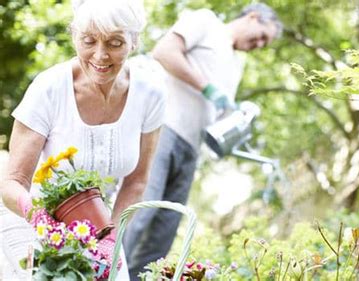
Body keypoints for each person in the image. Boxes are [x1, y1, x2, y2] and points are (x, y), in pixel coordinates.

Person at [0, 0, 166, 279]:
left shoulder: (150, 95)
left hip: (101, 228)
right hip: (31, 223)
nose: (100, 56)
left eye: (114, 43)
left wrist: (110, 238)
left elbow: (137, 182)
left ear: (134, 42)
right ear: (75, 37)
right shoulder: (49, 89)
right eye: (89, 41)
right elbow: (11, 184)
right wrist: (42, 220)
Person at [123, 3, 283, 279]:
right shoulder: (206, 22)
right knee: (142, 214)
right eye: (260, 36)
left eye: (264, 44)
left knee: (165, 229)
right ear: (253, 17)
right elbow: (164, 52)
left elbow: (218, 111)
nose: (258, 44)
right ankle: (105, 273)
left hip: (191, 148)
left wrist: (236, 114)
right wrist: (206, 86)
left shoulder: (237, 63)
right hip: (162, 129)